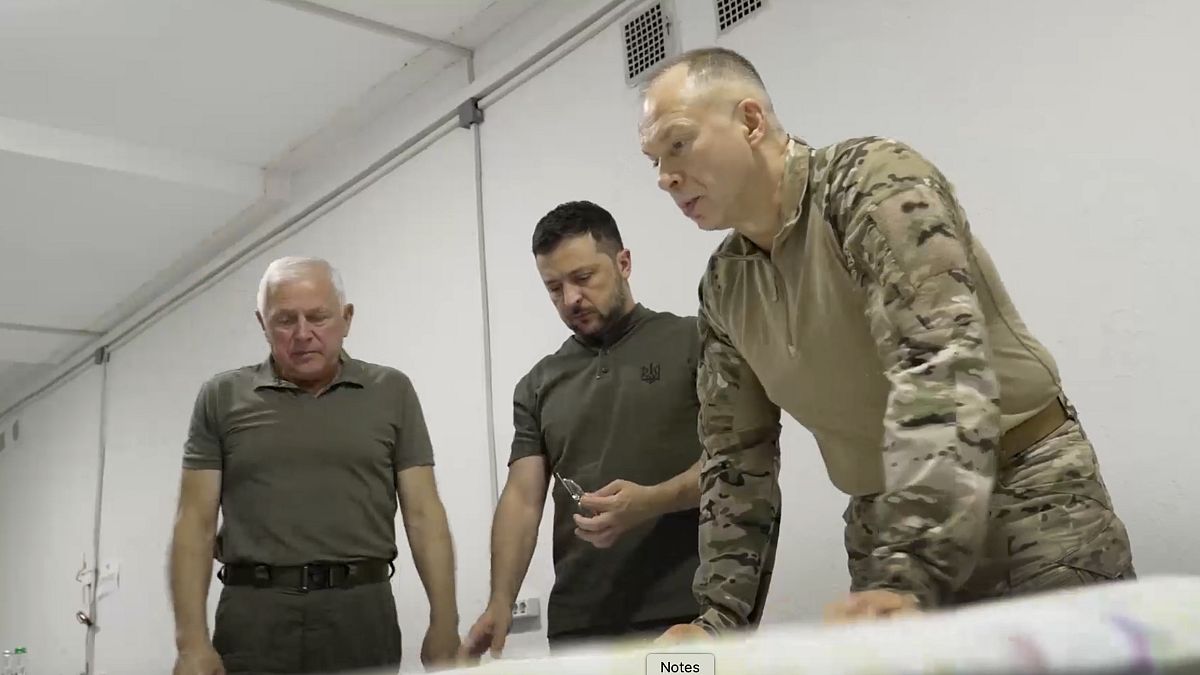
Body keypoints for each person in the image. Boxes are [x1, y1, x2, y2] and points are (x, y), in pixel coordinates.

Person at [636, 47, 1136, 639]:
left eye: (678, 144)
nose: (665, 177)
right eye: (653, 160)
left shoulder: (872, 182)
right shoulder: (724, 287)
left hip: (1027, 498)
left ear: (750, 121)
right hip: (885, 530)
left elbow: (939, 371)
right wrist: (719, 619)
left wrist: (908, 576)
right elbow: (734, 458)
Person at [459, 201, 771, 657]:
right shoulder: (538, 384)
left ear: (623, 262)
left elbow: (739, 459)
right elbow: (523, 499)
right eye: (553, 288)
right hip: (579, 627)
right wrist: (500, 600)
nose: (570, 300)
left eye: (583, 278)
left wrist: (650, 502)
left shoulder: (696, 340)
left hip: (690, 618)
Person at [168, 256, 461, 674]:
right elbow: (193, 522)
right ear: (262, 323)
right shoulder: (222, 396)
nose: (303, 334)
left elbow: (423, 514)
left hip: (361, 612)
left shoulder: (391, 391)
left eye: (318, 317)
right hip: (254, 616)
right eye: (285, 320)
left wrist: (445, 622)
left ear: (346, 318)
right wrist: (190, 642)